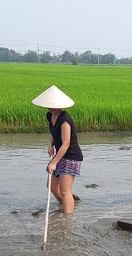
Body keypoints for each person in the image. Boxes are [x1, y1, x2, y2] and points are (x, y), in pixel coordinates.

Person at [32, 85, 83, 214]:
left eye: (53, 105)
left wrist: (54, 162)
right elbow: (54, 134)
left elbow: (66, 143)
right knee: (52, 186)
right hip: (60, 154)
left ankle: (67, 220)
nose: (50, 107)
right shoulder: (49, 116)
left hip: (71, 156)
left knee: (65, 190)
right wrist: (50, 144)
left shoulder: (65, 120)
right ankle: (67, 203)